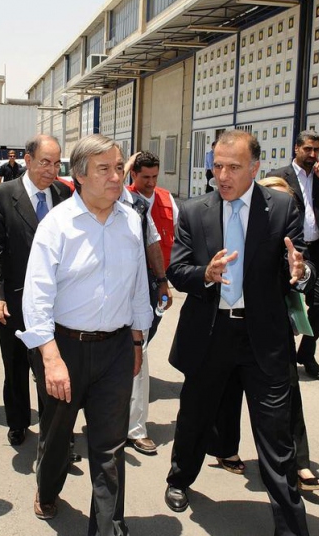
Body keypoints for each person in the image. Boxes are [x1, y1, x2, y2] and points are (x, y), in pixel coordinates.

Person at [164, 129, 312, 536]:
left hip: (262, 337)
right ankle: (178, 479)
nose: (222, 175)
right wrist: (205, 275)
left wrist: (300, 273)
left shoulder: (282, 207)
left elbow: (298, 263)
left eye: (233, 167)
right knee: (195, 415)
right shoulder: (195, 211)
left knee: (275, 433)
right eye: (217, 166)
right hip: (211, 335)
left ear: (255, 167)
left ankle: (290, 525)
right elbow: (177, 269)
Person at [18, 133, 152, 534]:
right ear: (79, 175)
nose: (116, 177)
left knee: (109, 448)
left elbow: (138, 285)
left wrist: (137, 339)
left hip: (114, 348)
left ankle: (108, 526)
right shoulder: (57, 226)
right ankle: (47, 488)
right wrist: (51, 357)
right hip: (65, 350)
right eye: (105, 169)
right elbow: (37, 297)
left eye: (118, 167)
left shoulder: (131, 220)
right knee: (58, 439)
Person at [0, 135, 72, 446]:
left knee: (54, 367)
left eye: (57, 163)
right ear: (27, 160)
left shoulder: (64, 193)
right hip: (16, 300)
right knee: (17, 366)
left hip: (59, 301)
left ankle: (56, 435)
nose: (51, 170)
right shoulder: (2, 196)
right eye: (45, 162)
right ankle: (18, 422)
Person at [267, 130, 319, 379]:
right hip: (288, 251)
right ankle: (282, 355)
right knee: (281, 304)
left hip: (316, 252)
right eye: (308, 149)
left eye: (316, 150)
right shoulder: (280, 176)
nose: (312, 155)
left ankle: (307, 352)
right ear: (296, 149)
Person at [122, 150, 175, 455]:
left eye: (156, 177)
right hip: (104, 300)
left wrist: (163, 281)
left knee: (138, 358)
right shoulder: (108, 199)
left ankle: (136, 429)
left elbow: (154, 242)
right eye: (145, 177)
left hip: (141, 294)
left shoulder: (140, 209)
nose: (151, 184)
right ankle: (107, 423)